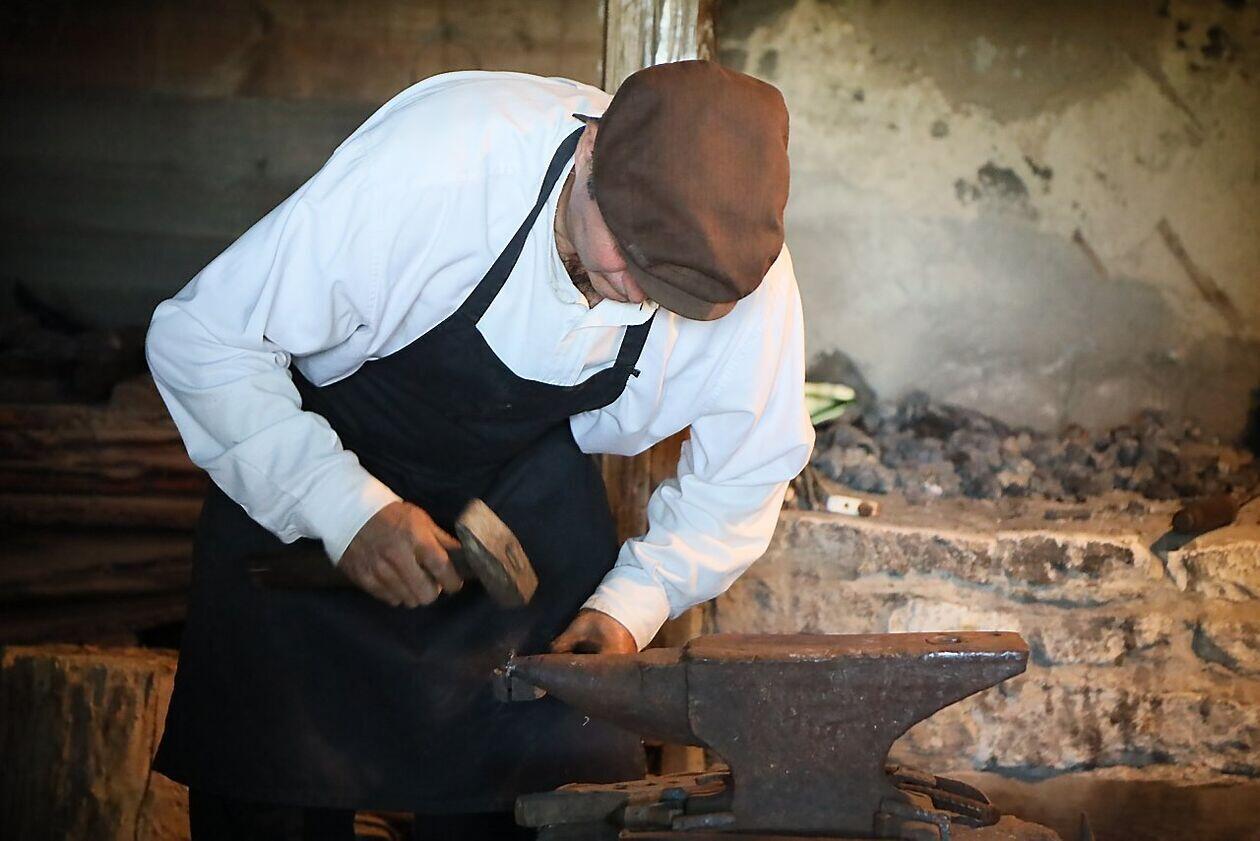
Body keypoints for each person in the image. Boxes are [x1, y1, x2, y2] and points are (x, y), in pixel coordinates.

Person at [145, 59, 813, 840]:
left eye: (669, 290)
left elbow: (746, 470)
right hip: (305, 481)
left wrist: (630, 607)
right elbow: (204, 340)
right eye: (626, 252)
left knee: (556, 797)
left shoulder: (737, 271)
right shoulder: (442, 165)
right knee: (268, 795)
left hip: (522, 499)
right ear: (590, 150)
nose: (634, 291)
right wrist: (339, 506)